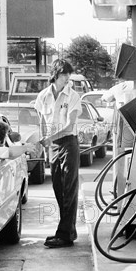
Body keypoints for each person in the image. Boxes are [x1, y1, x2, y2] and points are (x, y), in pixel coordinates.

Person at [34, 59, 82, 248]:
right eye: (64, 74)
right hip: (52, 145)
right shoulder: (43, 96)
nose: (67, 78)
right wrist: (45, 145)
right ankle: (69, 230)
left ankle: (63, 234)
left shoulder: (73, 96)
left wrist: (50, 138)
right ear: (55, 74)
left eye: (69, 74)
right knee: (57, 187)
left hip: (69, 143)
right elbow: (42, 123)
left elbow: (70, 126)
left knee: (69, 188)